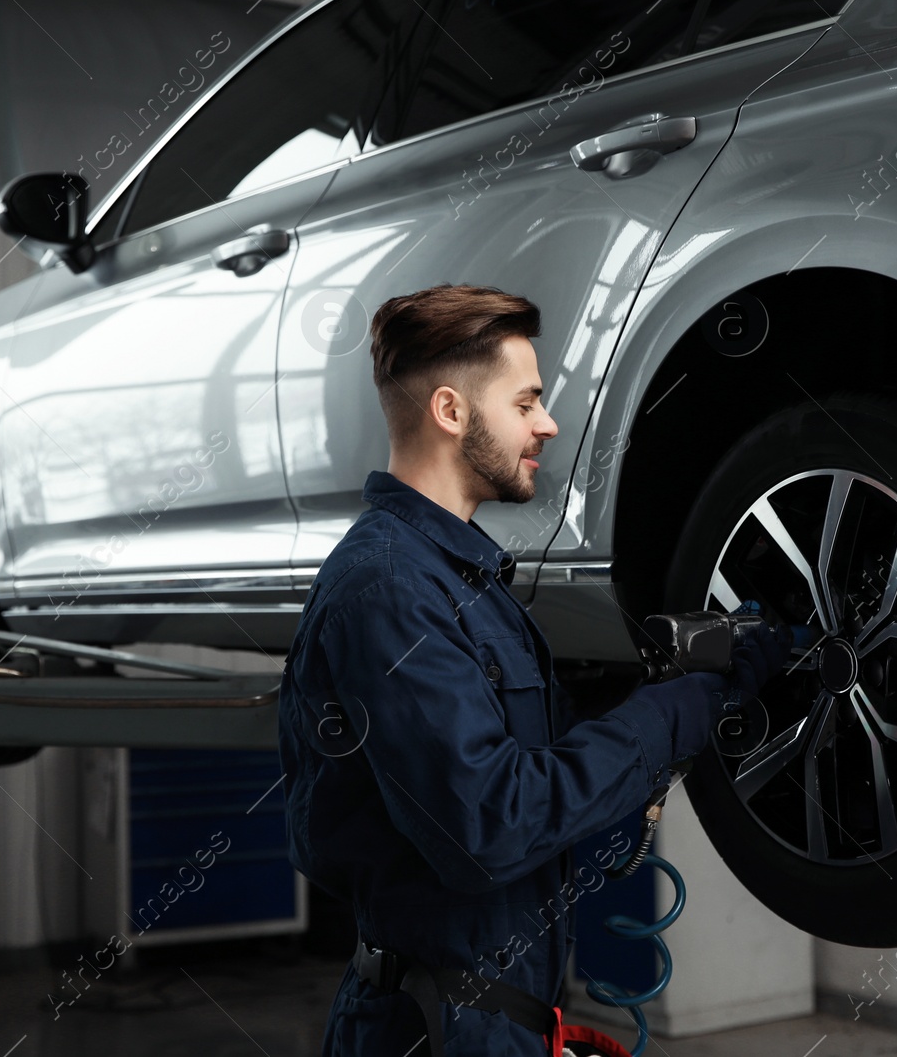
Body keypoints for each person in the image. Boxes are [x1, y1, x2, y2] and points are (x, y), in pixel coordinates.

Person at [278, 283, 790, 1056]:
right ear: (452, 412)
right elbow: (489, 822)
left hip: (496, 1022)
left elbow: (520, 754)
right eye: (526, 403)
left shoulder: (458, 581)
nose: (547, 424)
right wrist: (667, 718)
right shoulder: (388, 590)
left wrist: (671, 690)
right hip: (435, 1030)